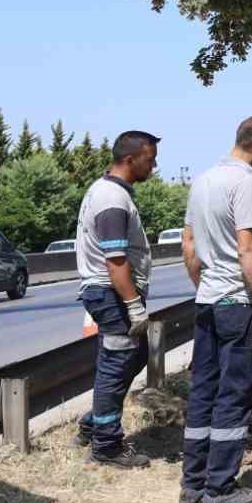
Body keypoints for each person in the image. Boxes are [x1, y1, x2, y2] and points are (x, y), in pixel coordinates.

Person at [178, 115, 252, 503]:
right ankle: (220, 490)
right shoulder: (245, 181)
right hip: (236, 304)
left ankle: (192, 486)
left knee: (203, 391)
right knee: (234, 394)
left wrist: (203, 286)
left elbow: (189, 244)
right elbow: (247, 248)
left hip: (206, 302)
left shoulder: (202, 180)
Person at [72, 130, 160, 467]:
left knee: (131, 357)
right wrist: (133, 305)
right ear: (130, 159)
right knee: (116, 364)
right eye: (149, 160)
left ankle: (94, 422)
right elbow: (115, 260)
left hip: (112, 293)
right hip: (111, 294)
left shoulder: (112, 192)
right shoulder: (111, 199)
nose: (153, 166)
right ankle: (106, 446)